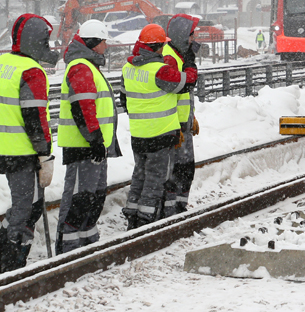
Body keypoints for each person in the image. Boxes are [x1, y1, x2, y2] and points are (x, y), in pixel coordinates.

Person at [0, 14, 59, 273]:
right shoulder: (31, 72)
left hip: (0, 149)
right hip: (23, 151)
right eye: (46, 40)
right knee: (27, 210)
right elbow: (35, 118)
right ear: (36, 41)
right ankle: (11, 266)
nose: (48, 46)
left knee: (21, 206)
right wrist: (45, 155)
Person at [120, 24, 197, 229]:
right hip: (160, 134)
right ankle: (147, 220)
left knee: (140, 175)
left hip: (138, 134)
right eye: (162, 45)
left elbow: (123, 98)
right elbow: (187, 82)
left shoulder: (128, 69)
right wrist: (190, 64)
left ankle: (132, 214)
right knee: (156, 178)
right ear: (157, 47)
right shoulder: (160, 70)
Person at [56, 19, 121, 254]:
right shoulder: (81, 67)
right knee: (79, 197)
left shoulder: (88, 66)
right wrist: (94, 139)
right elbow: (83, 108)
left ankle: (86, 243)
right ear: (94, 43)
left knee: (93, 196)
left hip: (94, 145)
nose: (106, 46)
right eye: (104, 41)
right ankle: (68, 249)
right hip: (84, 145)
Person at [162, 14, 201, 215]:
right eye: (191, 35)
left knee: (185, 169)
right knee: (176, 171)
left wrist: (190, 116)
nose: (193, 39)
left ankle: (180, 206)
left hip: (182, 124)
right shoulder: (170, 56)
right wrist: (177, 123)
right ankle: (171, 211)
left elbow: (185, 93)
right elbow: (175, 89)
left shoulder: (181, 55)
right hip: (174, 126)